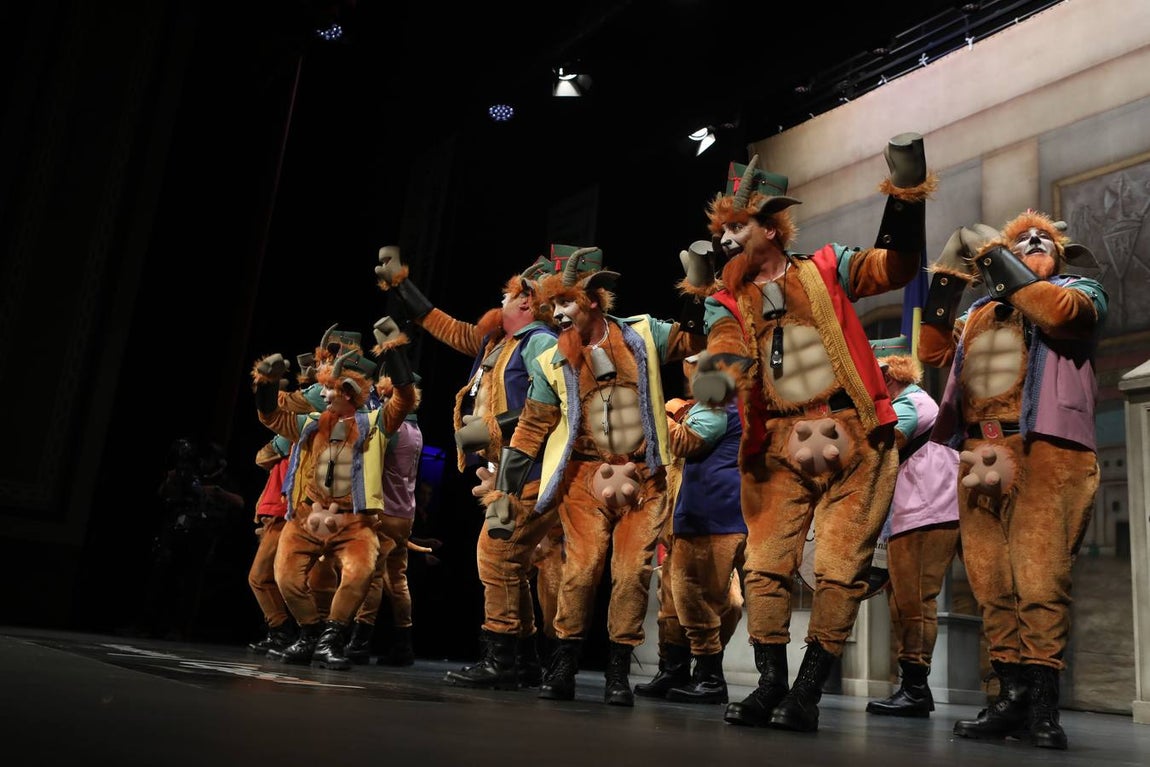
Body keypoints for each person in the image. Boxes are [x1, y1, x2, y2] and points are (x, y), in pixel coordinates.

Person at [690, 132, 937, 733]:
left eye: (738, 226)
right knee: (765, 566)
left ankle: (806, 691)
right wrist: (715, 380)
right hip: (776, 444)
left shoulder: (827, 267)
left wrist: (905, 195)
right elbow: (724, 342)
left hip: (855, 434)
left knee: (840, 567)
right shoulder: (727, 298)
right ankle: (771, 682)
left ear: (772, 228)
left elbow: (894, 267)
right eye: (723, 230)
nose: (726, 239)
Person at [484, 248, 708, 707]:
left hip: (644, 478)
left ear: (592, 299)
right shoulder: (553, 359)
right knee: (580, 571)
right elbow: (531, 427)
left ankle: (618, 672)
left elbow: (693, 339)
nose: (558, 314)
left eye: (566, 302)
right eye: (553, 305)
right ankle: (563, 665)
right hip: (584, 478)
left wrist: (698, 288)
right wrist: (505, 491)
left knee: (631, 574)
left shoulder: (642, 334)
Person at [918, 211, 1107, 749]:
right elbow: (933, 351)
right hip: (979, 452)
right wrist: (947, 279)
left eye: (1044, 238)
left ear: (1062, 254)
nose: (1033, 240)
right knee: (991, 583)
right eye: (1021, 239)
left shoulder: (1080, 291)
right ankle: (1011, 697)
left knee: (1040, 581)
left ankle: (1044, 707)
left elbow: (1056, 313)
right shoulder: (980, 312)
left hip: (1046, 450)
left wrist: (996, 255)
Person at [374, 245, 563, 689]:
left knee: (495, 555)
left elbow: (552, 403)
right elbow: (451, 328)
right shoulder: (498, 342)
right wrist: (403, 285)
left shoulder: (540, 341)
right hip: (505, 473)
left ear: (526, 301)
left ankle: (502, 657)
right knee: (511, 562)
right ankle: (523, 657)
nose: (499, 301)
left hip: (527, 472)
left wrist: (485, 432)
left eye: (507, 295)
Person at [250, 316, 417, 670]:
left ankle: (332, 637)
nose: (323, 395)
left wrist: (394, 351)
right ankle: (310, 633)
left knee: (359, 573)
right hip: (308, 516)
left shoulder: (376, 424)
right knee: (285, 576)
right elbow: (272, 418)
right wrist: (266, 383)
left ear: (350, 392)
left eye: (330, 390)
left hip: (354, 522)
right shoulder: (312, 424)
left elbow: (404, 399)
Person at [634, 354, 746, 705]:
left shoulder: (718, 406)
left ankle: (709, 677)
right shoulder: (707, 405)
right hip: (692, 516)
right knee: (674, 598)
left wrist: (658, 411)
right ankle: (674, 669)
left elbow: (683, 442)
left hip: (712, 515)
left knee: (697, 596)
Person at [863, 337, 960, 718]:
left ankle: (916, 689)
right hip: (917, 510)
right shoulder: (912, 402)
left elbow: (886, 443)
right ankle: (912, 686)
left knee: (915, 600)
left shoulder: (910, 404)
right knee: (906, 601)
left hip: (925, 510)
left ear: (889, 375)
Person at [345, 374, 426, 666]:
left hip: (386, 512)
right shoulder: (416, 430)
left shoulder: (394, 428)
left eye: (386, 393)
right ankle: (404, 645)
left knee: (373, 577)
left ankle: (359, 641)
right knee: (398, 579)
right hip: (406, 513)